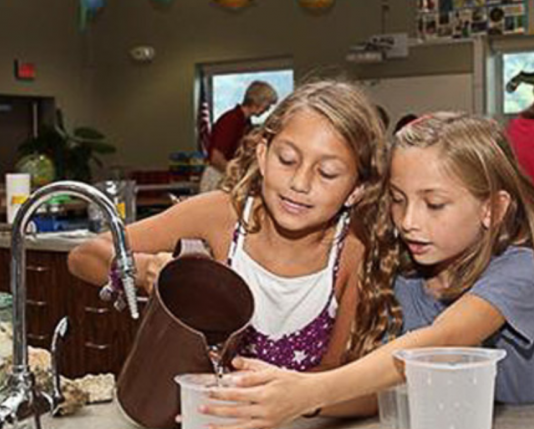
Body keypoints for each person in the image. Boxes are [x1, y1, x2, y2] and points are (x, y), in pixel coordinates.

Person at [202, 113, 534, 429]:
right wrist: (295, 400)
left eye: (434, 204)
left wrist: (309, 392)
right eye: (397, 199)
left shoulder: (521, 271)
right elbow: (380, 388)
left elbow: (442, 341)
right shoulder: (402, 273)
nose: (408, 221)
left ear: (493, 208)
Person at [70, 81, 387, 394]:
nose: (300, 183)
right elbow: (84, 255)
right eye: (287, 160)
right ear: (263, 154)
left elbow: (336, 373)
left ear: (357, 189)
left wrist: (284, 398)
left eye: (327, 173)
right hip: (194, 418)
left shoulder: (353, 252)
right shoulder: (218, 216)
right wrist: (143, 270)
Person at [199, 81, 279, 193]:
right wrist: (236, 176)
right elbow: (215, 158)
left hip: (226, 175)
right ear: (258, 101)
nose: (268, 109)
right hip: (217, 175)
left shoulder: (246, 123)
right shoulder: (231, 120)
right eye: (268, 105)